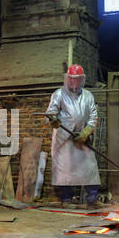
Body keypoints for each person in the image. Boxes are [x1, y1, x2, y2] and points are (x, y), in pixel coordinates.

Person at [45, 64, 106, 209]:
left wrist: (85, 133)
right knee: (65, 170)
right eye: (71, 79)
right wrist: (53, 120)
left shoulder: (87, 95)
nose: (74, 81)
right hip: (64, 139)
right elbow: (50, 113)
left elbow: (93, 116)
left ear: (81, 79)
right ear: (67, 79)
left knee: (89, 167)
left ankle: (92, 199)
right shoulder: (59, 94)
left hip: (82, 138)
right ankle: (66, 199)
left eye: (77, 79)